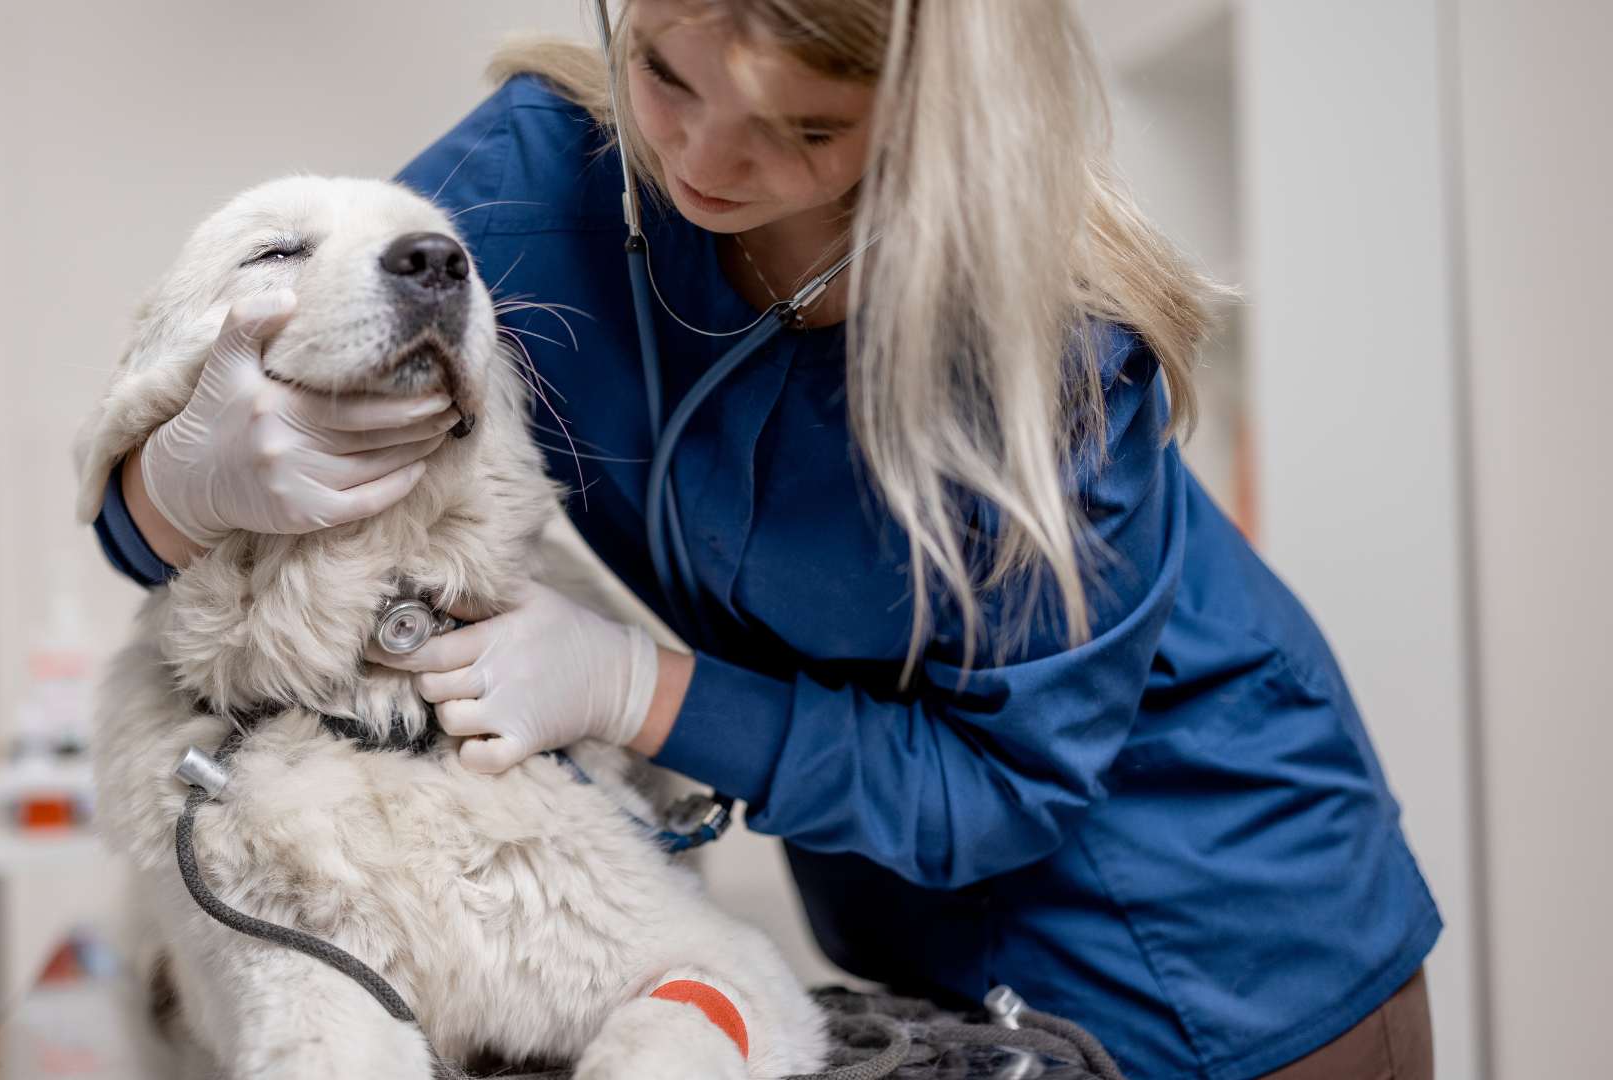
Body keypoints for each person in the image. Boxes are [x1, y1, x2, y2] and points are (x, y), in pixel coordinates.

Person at [89, 2, 1439, 1076]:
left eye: (804, 129)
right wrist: (174, 487)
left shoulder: (1050, 353)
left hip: (1238, 925)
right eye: (669, 74)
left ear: (927, 115)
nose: (704, 163)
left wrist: (638, 688)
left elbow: (1007, 788)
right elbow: (285, 358)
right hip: (910, 941)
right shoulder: (533, 181)